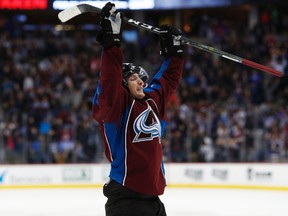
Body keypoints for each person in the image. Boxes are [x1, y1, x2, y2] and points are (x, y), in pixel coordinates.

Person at [92, 2, 184, 216]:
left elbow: (168, 79)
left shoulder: (152, 100)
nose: (142, 82)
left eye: (142, 79)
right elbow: (109, 81)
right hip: (126, 199)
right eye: (133, 79)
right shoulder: (116, 107)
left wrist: (175, 53)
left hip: (153, 199)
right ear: (123, 84)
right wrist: (111, 42)